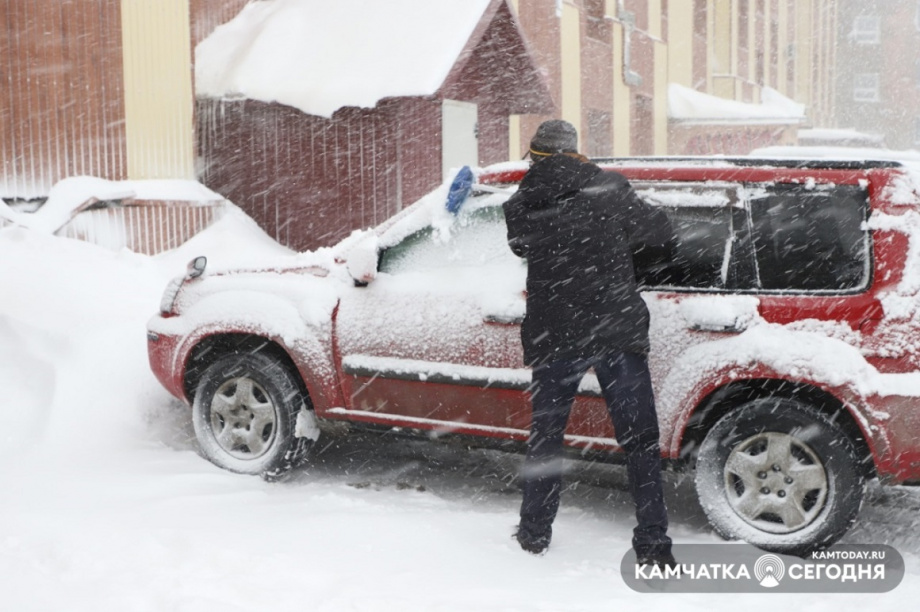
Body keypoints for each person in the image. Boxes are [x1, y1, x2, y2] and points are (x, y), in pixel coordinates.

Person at [502, 119, 675, 567]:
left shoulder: (521, 202)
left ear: (535, 155)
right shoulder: (609, 188)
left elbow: (522, 246)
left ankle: (534, 533)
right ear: (576, 151)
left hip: (555, 332)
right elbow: (660, 233)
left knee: (546, 437)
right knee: (640, 440)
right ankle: (653, 542)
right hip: (616, 329)